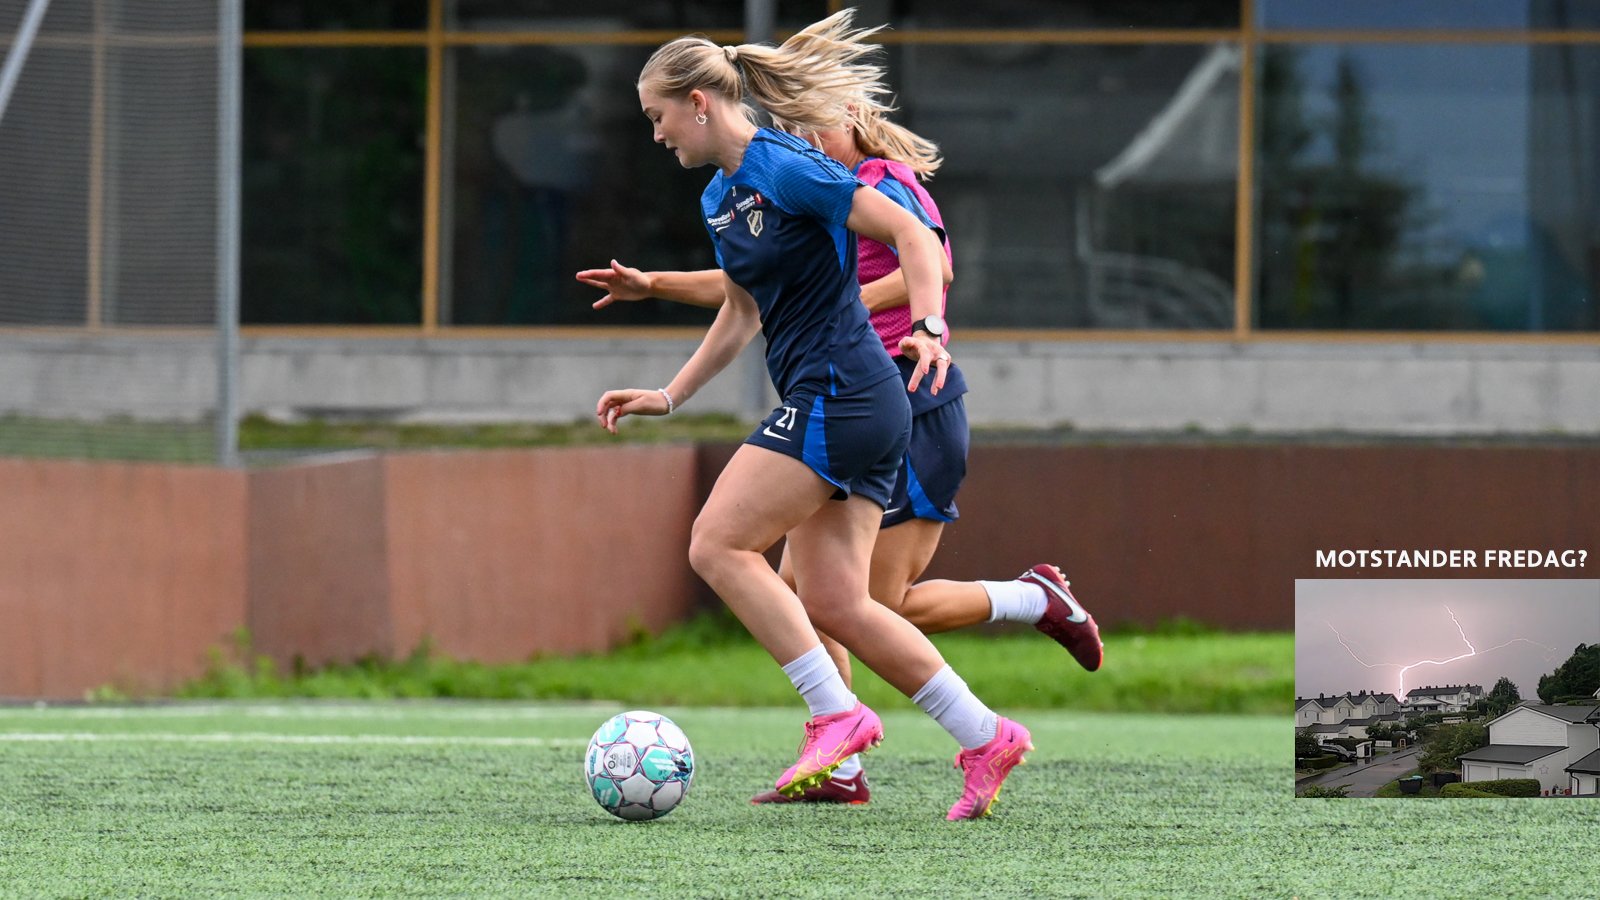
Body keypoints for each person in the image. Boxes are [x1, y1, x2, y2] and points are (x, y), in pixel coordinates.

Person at [579, 98, 1102, 806]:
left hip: (855, 391)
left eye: (658, 114)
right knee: (834, 601)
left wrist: (929, 329)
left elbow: (922, 245)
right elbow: (743, 304)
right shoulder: (724, 193)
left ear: (699, 103)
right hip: (854, 392)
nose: (655, 132)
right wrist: (670, 390)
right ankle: (984, 735)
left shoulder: (794, 168)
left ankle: (841, 714)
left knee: (719, 545)